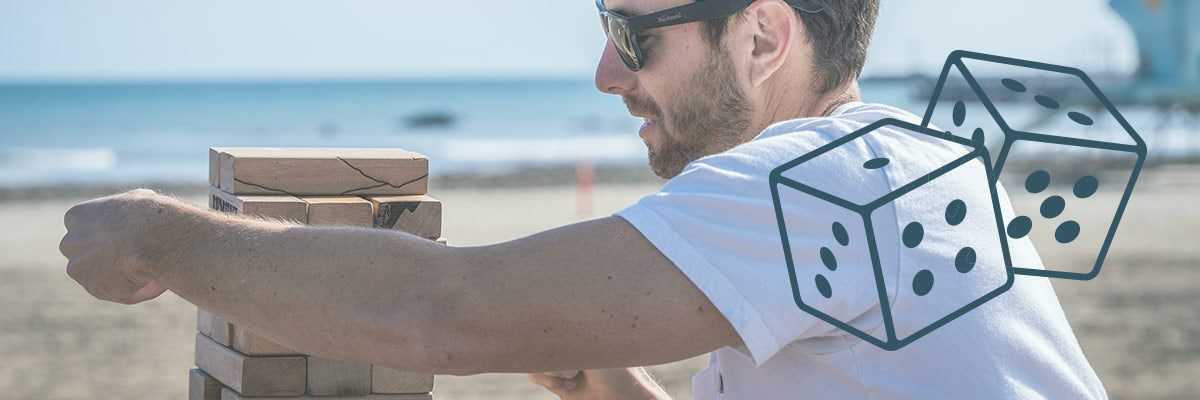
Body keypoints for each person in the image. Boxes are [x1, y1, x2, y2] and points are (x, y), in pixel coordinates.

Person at [60, 0, 1107, 398]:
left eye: (629, 36)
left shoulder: (804, 189)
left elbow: (437, 311)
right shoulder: (908, 164)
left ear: (762, 36)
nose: (607, 77)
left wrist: (159, 236)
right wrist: (610, 383)